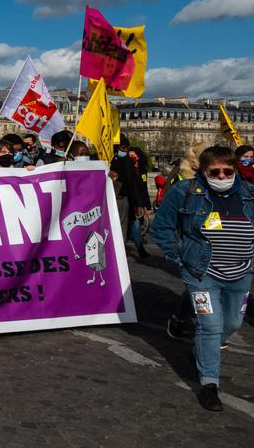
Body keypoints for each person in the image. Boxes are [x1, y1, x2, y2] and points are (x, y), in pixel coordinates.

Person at [151, 146, 254, 412]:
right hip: (201, 273)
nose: (222, 176)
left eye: (227, 171)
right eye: (215, 171)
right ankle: (209, 384)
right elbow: (162, 225)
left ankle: (199, 351)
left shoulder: (249, 193)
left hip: (241, 272)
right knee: (210, 325)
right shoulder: (186, 192)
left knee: (231, 323)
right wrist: (177, 256)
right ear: (204, 171)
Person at [109, 134, 148, 255]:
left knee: (123, 227)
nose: (125, 151)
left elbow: (134, 184)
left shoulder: (128, 162)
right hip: (109, 199)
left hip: (124, 199)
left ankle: (120, 251)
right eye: (122, 148)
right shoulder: (107, 160)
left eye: (127, 148)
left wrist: (140, 204)